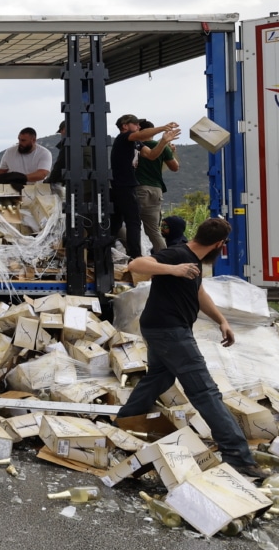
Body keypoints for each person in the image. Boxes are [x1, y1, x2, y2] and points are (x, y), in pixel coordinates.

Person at [114, 218, 269, 481]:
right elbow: (136, 264)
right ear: (220, 244)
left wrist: (221, 320)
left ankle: (125, 420)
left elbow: (199, 294)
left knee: (160, 377)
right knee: (205, 391)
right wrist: (173, 270)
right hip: (169, 331)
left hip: (164, 329)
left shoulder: (193, 262)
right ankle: (238, 457)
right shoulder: (178, 253)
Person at [110, 114, 179, 258]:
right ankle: (136, 256)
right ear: (125, 126)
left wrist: (163, 141)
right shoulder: (123, 138)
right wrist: (162, 128)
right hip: (123, 184)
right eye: (135, 124)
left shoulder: (137, 143)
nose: (138, 126)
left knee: (117, 223)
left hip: (129, 185)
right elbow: (140, 134)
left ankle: (107, 250)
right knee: (133, 221)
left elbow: (152, 155)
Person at [135, 119, 180, 253]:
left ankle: (136, 257)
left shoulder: (134, 145)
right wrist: (169, 152)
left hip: (139, 189)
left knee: (132, 226)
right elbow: (175, 167)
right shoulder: (162, 147)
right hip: (156, 190)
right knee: (154, 230)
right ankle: (164, 259)